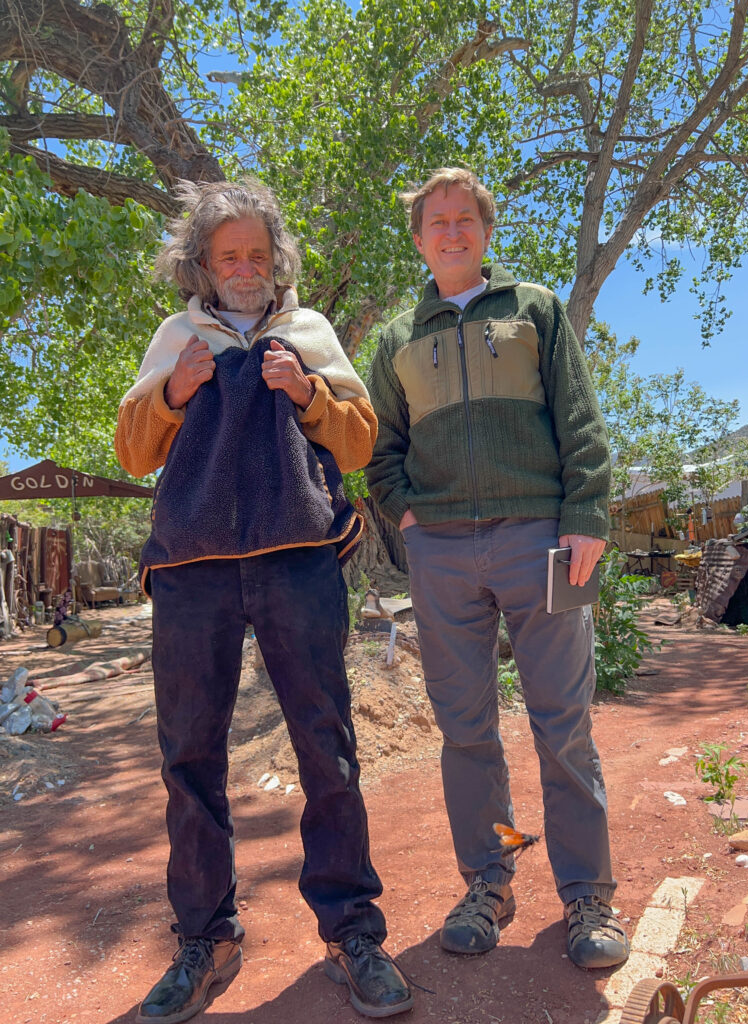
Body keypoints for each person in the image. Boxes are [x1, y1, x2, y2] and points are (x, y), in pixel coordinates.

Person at [115, 180, 413, 1022]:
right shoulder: (177, 336)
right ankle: (205, 940)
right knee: (189, 759)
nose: (243, 269)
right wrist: (173, 391)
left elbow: (358, 441)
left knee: (327, 747)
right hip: (193, 570)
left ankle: (353, 932)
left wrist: (308, 392)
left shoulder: (308, 333)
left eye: (256, 254)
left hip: (299, 562)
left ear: (275, 259)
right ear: (202, 267)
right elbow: (134, 451)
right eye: (226, 256)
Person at [365, 167, 630, 969]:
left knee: (563, 724)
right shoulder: (394, 339)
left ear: (485, 231)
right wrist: (409, 518)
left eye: (464, 219)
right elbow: (381, 452)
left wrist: (585, 515)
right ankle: (490, 879)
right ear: (419, 239)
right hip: (442, 554)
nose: (451, 232)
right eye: (436, 222)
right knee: (466, 730)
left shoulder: (536, 311)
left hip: (539, 538)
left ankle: (587, 897)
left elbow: (579, 420)